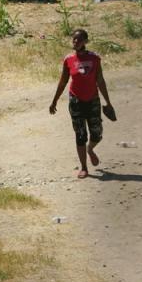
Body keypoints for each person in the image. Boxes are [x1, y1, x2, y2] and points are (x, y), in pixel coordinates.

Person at [49, 28, 116, 179]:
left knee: (97, 133)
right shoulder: (69, 59)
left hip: (93, 100)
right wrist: (54, 101)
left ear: (86, 41)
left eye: (79, 40)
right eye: (74, 39)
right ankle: (84, 167)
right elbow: (63, 81)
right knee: (80, 134)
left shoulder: (94, 59)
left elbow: (100, 80)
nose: (76, 42)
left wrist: (108, 102)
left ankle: (90, 149)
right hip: (76, 101)